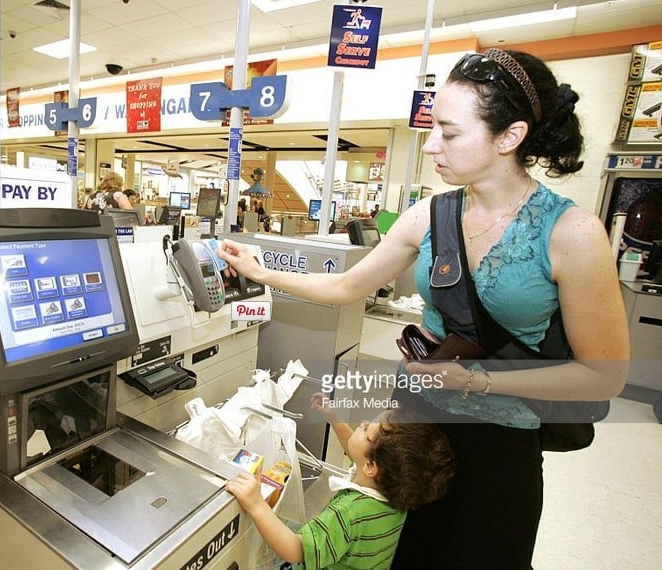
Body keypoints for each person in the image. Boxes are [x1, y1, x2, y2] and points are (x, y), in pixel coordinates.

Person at [217, 48, 630, 569]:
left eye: (450, 132)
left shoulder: (572, 234)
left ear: (510, 136)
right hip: (410, 434)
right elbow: (348, 285)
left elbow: (604, 376)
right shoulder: (430, 214)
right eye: (433, 126)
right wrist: (262, 272)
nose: (432, 144)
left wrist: (478, 382)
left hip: (498, 447)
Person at [226, 403, 454, 570]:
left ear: (371, 467)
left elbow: (295, 550)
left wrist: (256, 504)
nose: (363, 424)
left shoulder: (348, 514)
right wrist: (334, 418)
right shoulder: (396, 495)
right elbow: (355, 449)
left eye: (366, 430)